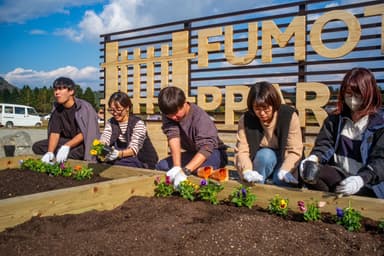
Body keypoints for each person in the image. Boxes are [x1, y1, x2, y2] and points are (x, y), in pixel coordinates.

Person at [300, 67, 384, 198]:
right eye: (349, 94)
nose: (352, 99)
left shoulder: (380, 124)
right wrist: (313, 158)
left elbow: (380, 161)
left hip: (368, 183)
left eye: (358, 95)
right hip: (340, 175)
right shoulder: (335, 120)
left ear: (369, 94)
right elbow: (324, 145)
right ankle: (330, 205)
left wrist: (361, 179)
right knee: (314, 172)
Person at [155, 86, 228, 186]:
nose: (173, 117)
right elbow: (173, 136)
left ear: (184, 103)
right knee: (162, 166)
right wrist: (177, 166)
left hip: (214, 152)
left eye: (176, 113)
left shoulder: (200, 118)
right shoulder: (169, 113)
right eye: (169, 115)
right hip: (193, 153)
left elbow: (206, 148)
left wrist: (185, 171)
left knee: (199, 170)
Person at [235, 81, 303, 186]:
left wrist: (286, 169)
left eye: (266, 108)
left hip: (285, 157)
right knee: (265, 156)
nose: (262, 113)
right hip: (261, 159)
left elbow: (294, 150)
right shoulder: (246, 119)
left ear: (274, 103)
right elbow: (242, 150)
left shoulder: (289, 116)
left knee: (281, 181)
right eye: (257, 108)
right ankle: (256, 188)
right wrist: (246, 170)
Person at [32, 77, 100, 163]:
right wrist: (50, 152)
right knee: (37, 146)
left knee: (84, 150)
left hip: (83, 141)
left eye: (61, 89)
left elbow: (86, 132)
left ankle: (64, 157)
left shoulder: (85, 108)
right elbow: (55, 133)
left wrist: (67, 146)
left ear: (71, 91)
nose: (57, 93)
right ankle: (57, 156)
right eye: (55, 89)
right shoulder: (57, 110)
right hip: (67, 141)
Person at [99, 91, 158, 169]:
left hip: (141, 159)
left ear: (127, 108)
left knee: (125, 163)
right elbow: (105, 137)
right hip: (121, 157)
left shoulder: (138, 123)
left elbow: (134, 149)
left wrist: (118, 154)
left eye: (118, 109)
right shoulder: (111, 122)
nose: (115, 113)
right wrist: (101, 147)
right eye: (112, 110)